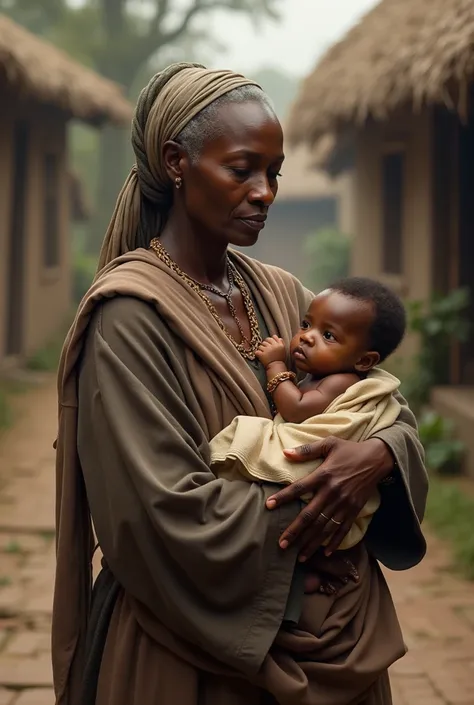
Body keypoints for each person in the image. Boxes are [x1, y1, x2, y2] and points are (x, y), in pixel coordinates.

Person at [52, 62, 428, 705]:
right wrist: (312, 532)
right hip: (187, 655)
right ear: (176, 162)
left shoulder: (284, 297)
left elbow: (379, 400)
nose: (265, 192)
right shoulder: (131, 316)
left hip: (333, 634)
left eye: (274, 174)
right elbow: (156, 509)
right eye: (242, 169)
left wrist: (379, 455)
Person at [209, 277, 407, 554]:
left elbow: (297, 409)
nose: (306, 337)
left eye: (328, 336)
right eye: (306, 324)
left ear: (364, 361)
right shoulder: (322, 374)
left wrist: (276, 366)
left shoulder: (342, 381)